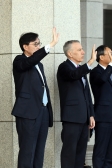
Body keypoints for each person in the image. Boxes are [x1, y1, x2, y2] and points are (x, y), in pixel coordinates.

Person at [12, 28, 59, 168]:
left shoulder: (39, 64)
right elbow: (28, 63)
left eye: (40, 44)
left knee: (39, 150)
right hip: (28, 112)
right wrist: (50, 45)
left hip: (42, 111)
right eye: (36, 44)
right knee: (28, 150)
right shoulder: (19, 60)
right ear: (25, 47)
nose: (39, 46)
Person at [57, 40, 96, 168]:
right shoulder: (64, 67)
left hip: (84, 118)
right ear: (70, 53)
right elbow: (73, 75)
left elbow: (87, 95)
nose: (83, 52)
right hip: (71, 118)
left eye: (82, 49)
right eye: (79, 50)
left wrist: (91, 115)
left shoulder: (81, 70)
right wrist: (90, 62)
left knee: (80, 154)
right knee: (69, 153)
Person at [89, 45, 112, 168]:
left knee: (110, 153)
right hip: (103, 116)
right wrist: (111, 66)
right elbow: (102, 80)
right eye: (110, 53)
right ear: (102, 57)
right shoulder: (95, 72)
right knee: (100, 150)